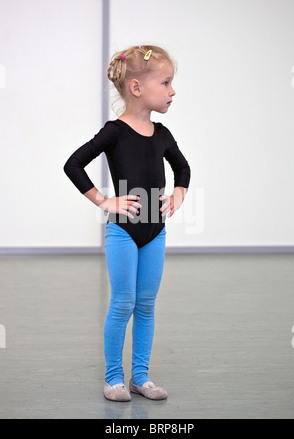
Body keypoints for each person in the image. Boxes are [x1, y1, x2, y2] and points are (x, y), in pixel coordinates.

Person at [64, 45, 191, 402]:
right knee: (123, 302)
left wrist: (179, 193)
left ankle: (140, 376)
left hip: (154, 228)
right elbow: (73, 164)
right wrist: (104, 200)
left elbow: (183, 168)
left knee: (146, 304)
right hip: (123, 229)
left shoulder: (162, 134)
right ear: (137, 88)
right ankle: (113, 378)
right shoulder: (114, 132)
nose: (172, 91)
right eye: (165, 83)